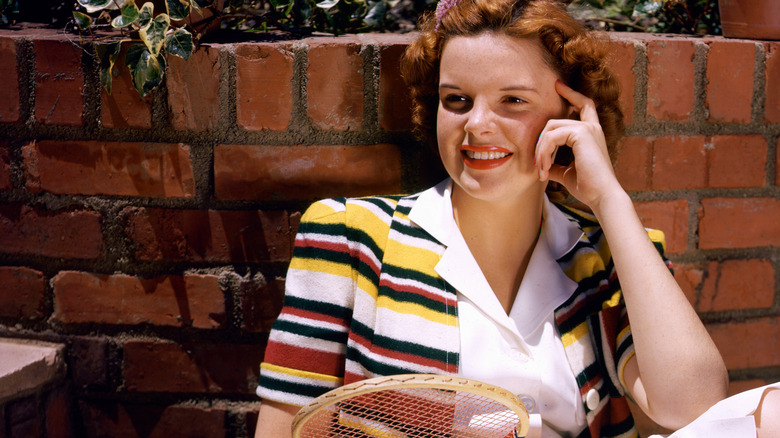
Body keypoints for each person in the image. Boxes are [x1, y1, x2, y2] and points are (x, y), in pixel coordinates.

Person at [251, 0, 768, 436]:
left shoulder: (611, 255)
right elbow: (283, 428)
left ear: (566, 119)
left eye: (512, 100)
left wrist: (609, 198)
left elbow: (697, 409)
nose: (477, 125)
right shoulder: (351, 237)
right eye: (457, 100)